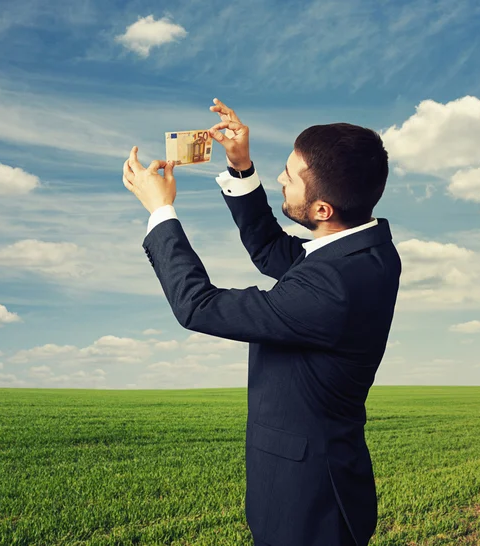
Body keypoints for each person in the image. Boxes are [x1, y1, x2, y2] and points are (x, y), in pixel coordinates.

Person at [128, 98, 401, 546]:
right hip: (314, 481)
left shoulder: (331, 289)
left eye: (289, 177)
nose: (280, 179)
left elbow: (198, 305)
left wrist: (160, 212)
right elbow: (273, 252)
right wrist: (241, 167)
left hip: (308, 503)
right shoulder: (363, 248)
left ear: (322, 210)